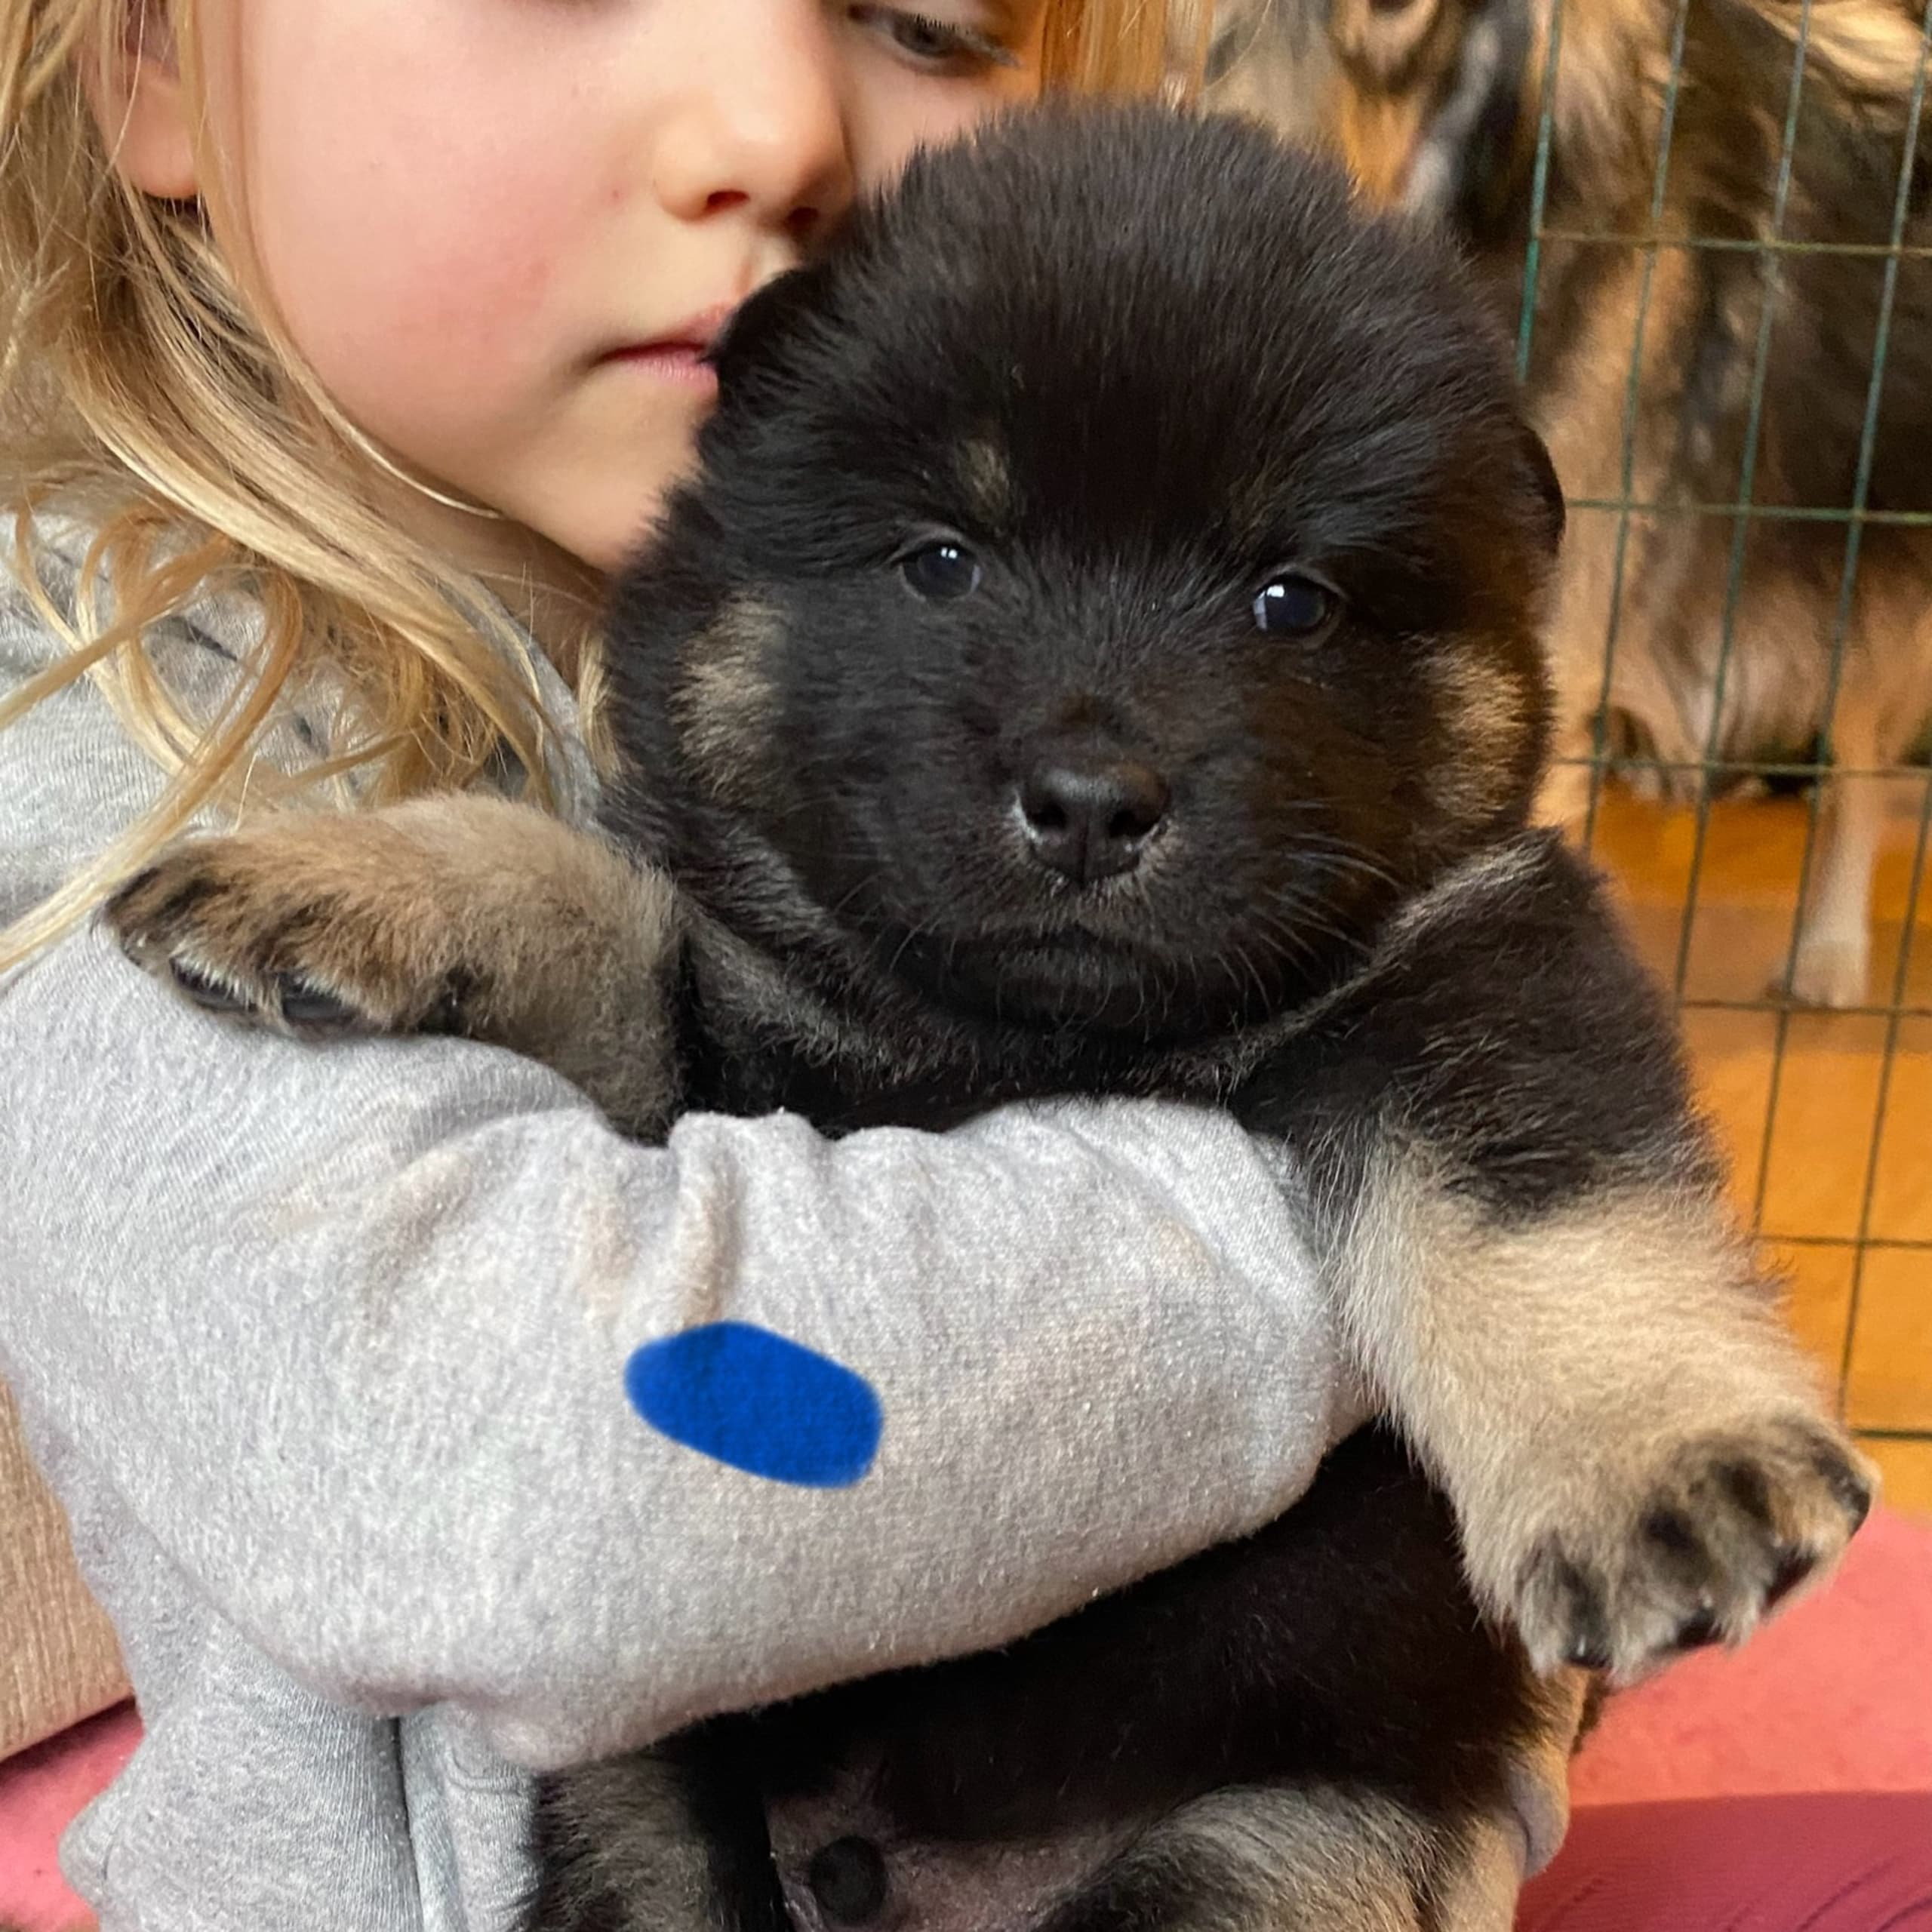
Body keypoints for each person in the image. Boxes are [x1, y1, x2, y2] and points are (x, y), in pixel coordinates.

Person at [0, 4, 1377, 1927]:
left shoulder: (954, 686)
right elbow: (521, 1468)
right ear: (149, 60)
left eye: (931, 17)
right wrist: (1374, 1228)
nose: (775, 122)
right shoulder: (84, 739)